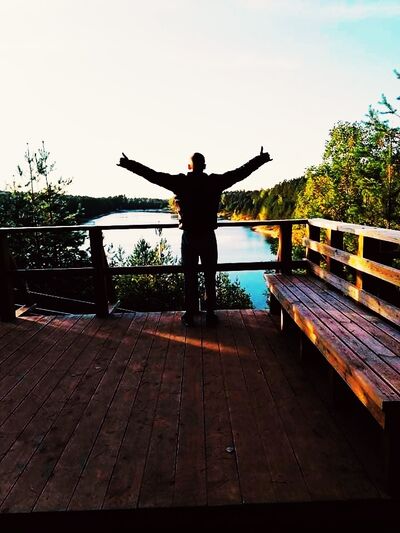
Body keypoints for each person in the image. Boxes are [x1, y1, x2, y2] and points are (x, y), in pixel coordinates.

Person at [117, 147, 272, 326]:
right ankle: (210, 315)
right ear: (204, 166)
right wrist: (260, 160)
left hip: (189, 238)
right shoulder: (215, 182)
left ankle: (190, 315)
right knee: (210, 277)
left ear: (189, 167)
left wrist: (129, 164)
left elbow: (152, 175)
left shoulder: (179, 182)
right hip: (208, 237)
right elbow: (240, 173)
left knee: (190, 278)